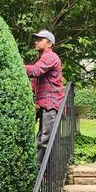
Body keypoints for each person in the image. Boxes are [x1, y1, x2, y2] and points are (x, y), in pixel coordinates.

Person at [25, 29, 64, 165]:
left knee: (46, 139)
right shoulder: (41, 58)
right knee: (41, 138)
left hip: (51, 104)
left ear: (49, 44)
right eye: (36, 39)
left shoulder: (50, 57)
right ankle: (40, 170)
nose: (36, 42)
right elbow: (34, 82)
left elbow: (35, 71)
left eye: (40, 40)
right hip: (43, 105)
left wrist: (17, 66)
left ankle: (43, 170)